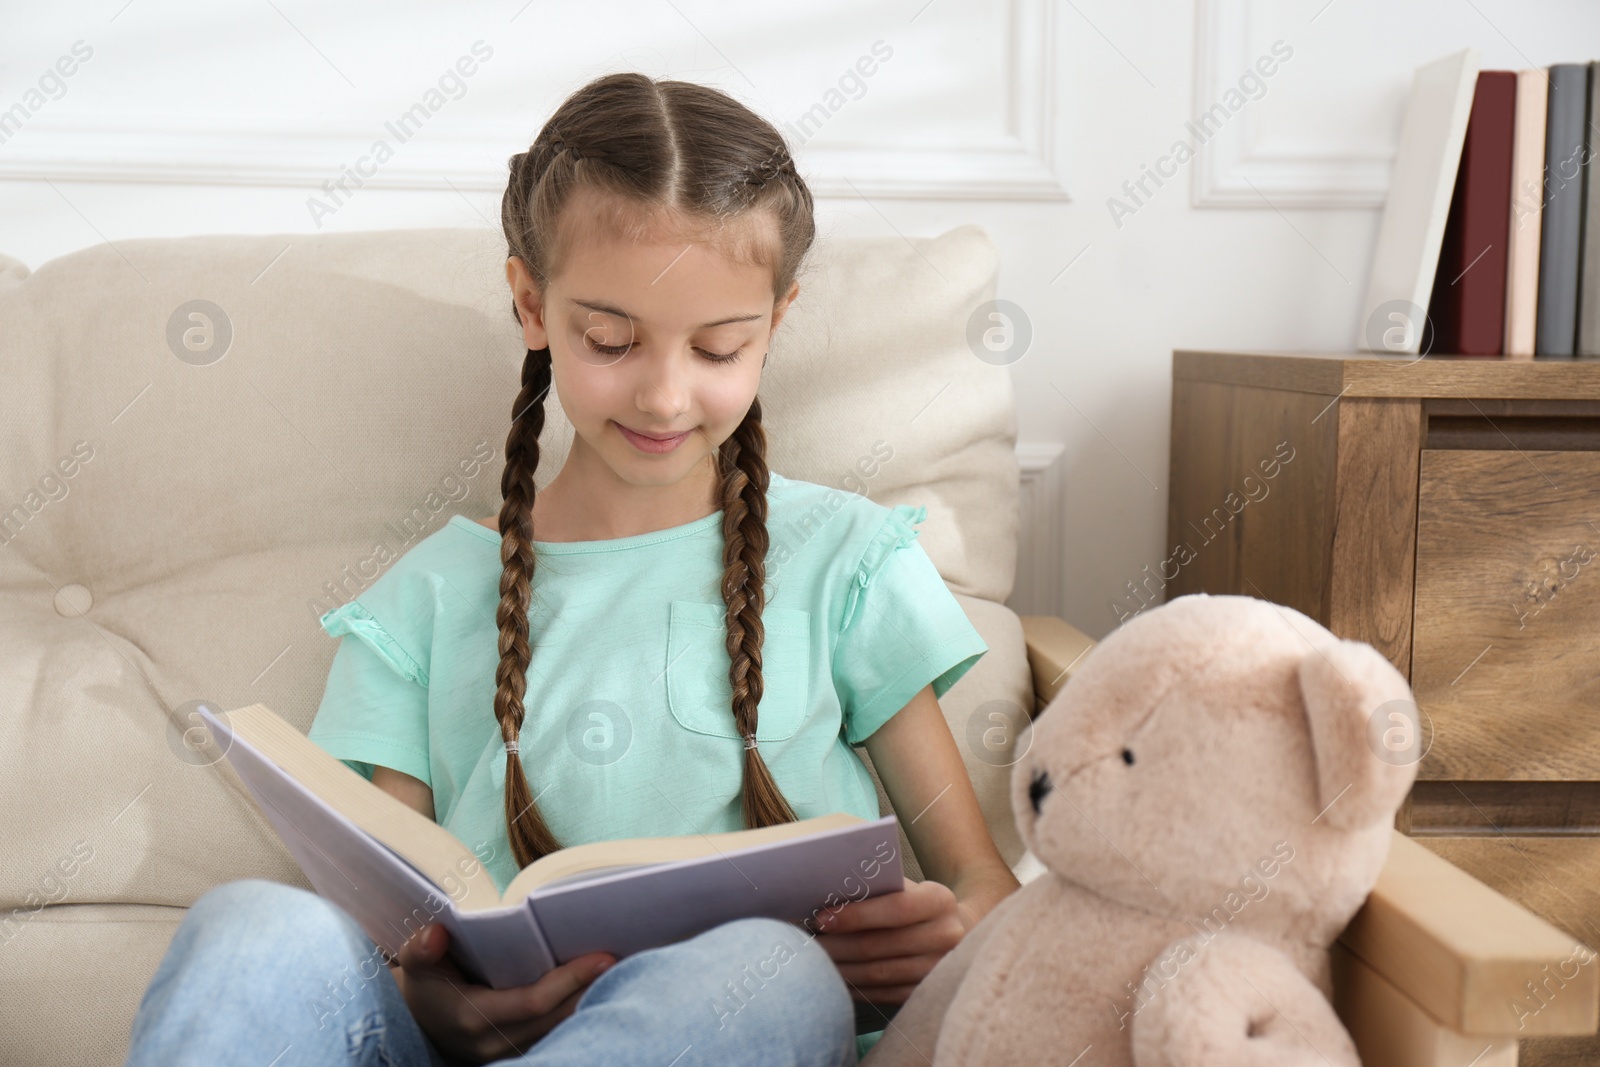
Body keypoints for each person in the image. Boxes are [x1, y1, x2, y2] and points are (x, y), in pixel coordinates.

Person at [124, 70, 1020, 1067]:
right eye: (610, 339)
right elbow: (387, 929)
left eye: (720, 347)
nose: (666, 393)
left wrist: (945, 934)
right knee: (255, 924)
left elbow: (984, 884)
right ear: (531, 303)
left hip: (731, 1026)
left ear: (776, 322)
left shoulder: (843, 562)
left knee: (767, 967)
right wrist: (429, 1000)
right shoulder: (421, 603)